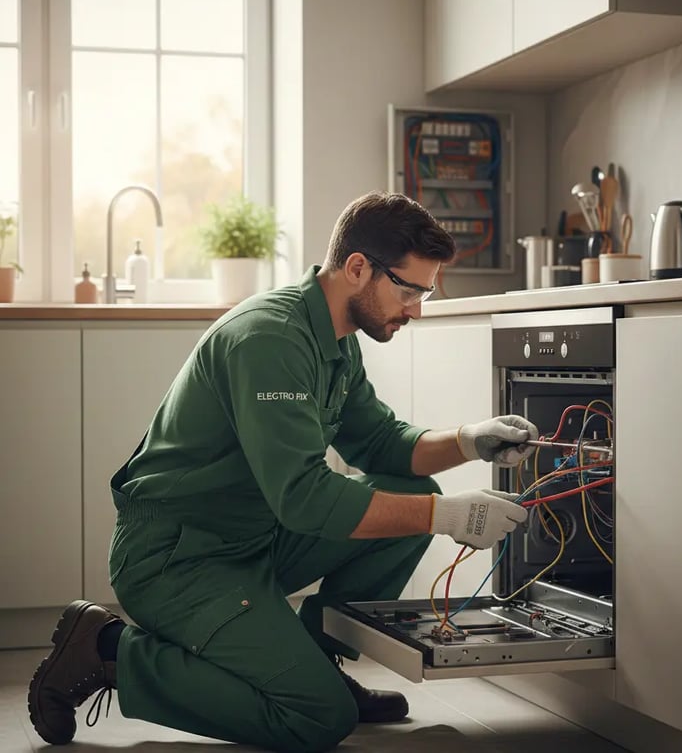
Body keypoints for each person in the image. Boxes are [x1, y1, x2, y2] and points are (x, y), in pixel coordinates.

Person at [28, 190, 538, 753]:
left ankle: (314, 658)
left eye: (425, 292)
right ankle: (107, 649)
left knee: (408, 491)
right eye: (409, 289)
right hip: (178, 559)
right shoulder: (271, 338)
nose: (416, 308)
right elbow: (304, 499)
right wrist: (451, 517)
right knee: (319, 718)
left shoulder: (336, 338)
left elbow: (380, 444)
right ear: (357, 267)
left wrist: (470, 441)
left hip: (254, 538)